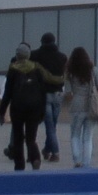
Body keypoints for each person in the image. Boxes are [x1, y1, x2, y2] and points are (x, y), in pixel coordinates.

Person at [0, 42, 58, 171]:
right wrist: (41, 111)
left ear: (17, 55)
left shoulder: (13, 69)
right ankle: (35, 158)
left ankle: (19, 165)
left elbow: (7, 93)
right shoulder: (36, 68)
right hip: (34, 108)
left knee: (18, 138)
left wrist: (1, 112)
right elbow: (42, 91)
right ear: (28, 55)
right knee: (31, 138)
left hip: (17, 108)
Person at [62, 46, 98, 168]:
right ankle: (86, 163)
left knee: (75, 134)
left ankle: (77, 160)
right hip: (91, 106)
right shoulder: (93, 70)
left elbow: (68, 92)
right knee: (88, 136)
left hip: (76, 105)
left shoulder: (70, 72)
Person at [33, 31, 68, 162]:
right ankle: (47, 150)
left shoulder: (35, 55)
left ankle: (55, 152)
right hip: (58, 94)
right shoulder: (62, 57)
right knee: (53, 125)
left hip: (44, 94)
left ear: (42, 42)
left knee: (49, 126)